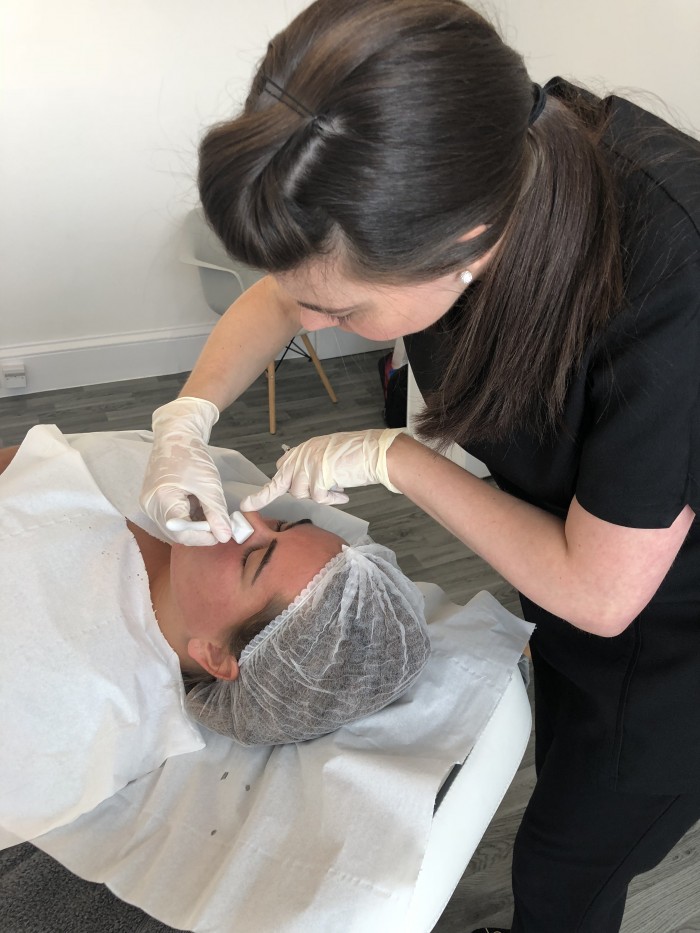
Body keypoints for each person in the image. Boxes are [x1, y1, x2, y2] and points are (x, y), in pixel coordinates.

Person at [139, 1, 699, 930]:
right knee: (565, 743)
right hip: (575, 568)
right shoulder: (456, 159)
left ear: (462, 248)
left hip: (674, 633)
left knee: (569, 857)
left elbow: (602, 595)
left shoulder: (669, 288)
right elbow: (286, 297)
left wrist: (395, 456)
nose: (308, 324)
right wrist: (184, 417)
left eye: (342, 311)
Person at [0, 434, 430, 747]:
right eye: (283, 524)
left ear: (216, 657)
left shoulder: (58, 679)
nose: (251, 518)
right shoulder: (189, 488)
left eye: (252, 559)